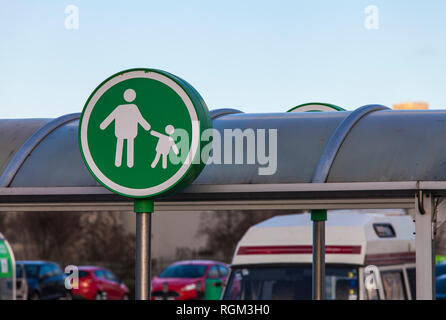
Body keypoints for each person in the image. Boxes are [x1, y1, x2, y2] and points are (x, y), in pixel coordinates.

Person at [100, 89, 151, 168]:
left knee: (120, 145)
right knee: (129, 146)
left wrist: (103, 125)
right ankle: (129, 163)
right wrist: (146, 127)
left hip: (120, 132)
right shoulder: (133, 107)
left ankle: (118, 163)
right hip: (130, 132)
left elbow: (110, 117)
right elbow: (140, 118)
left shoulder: (120, 108)